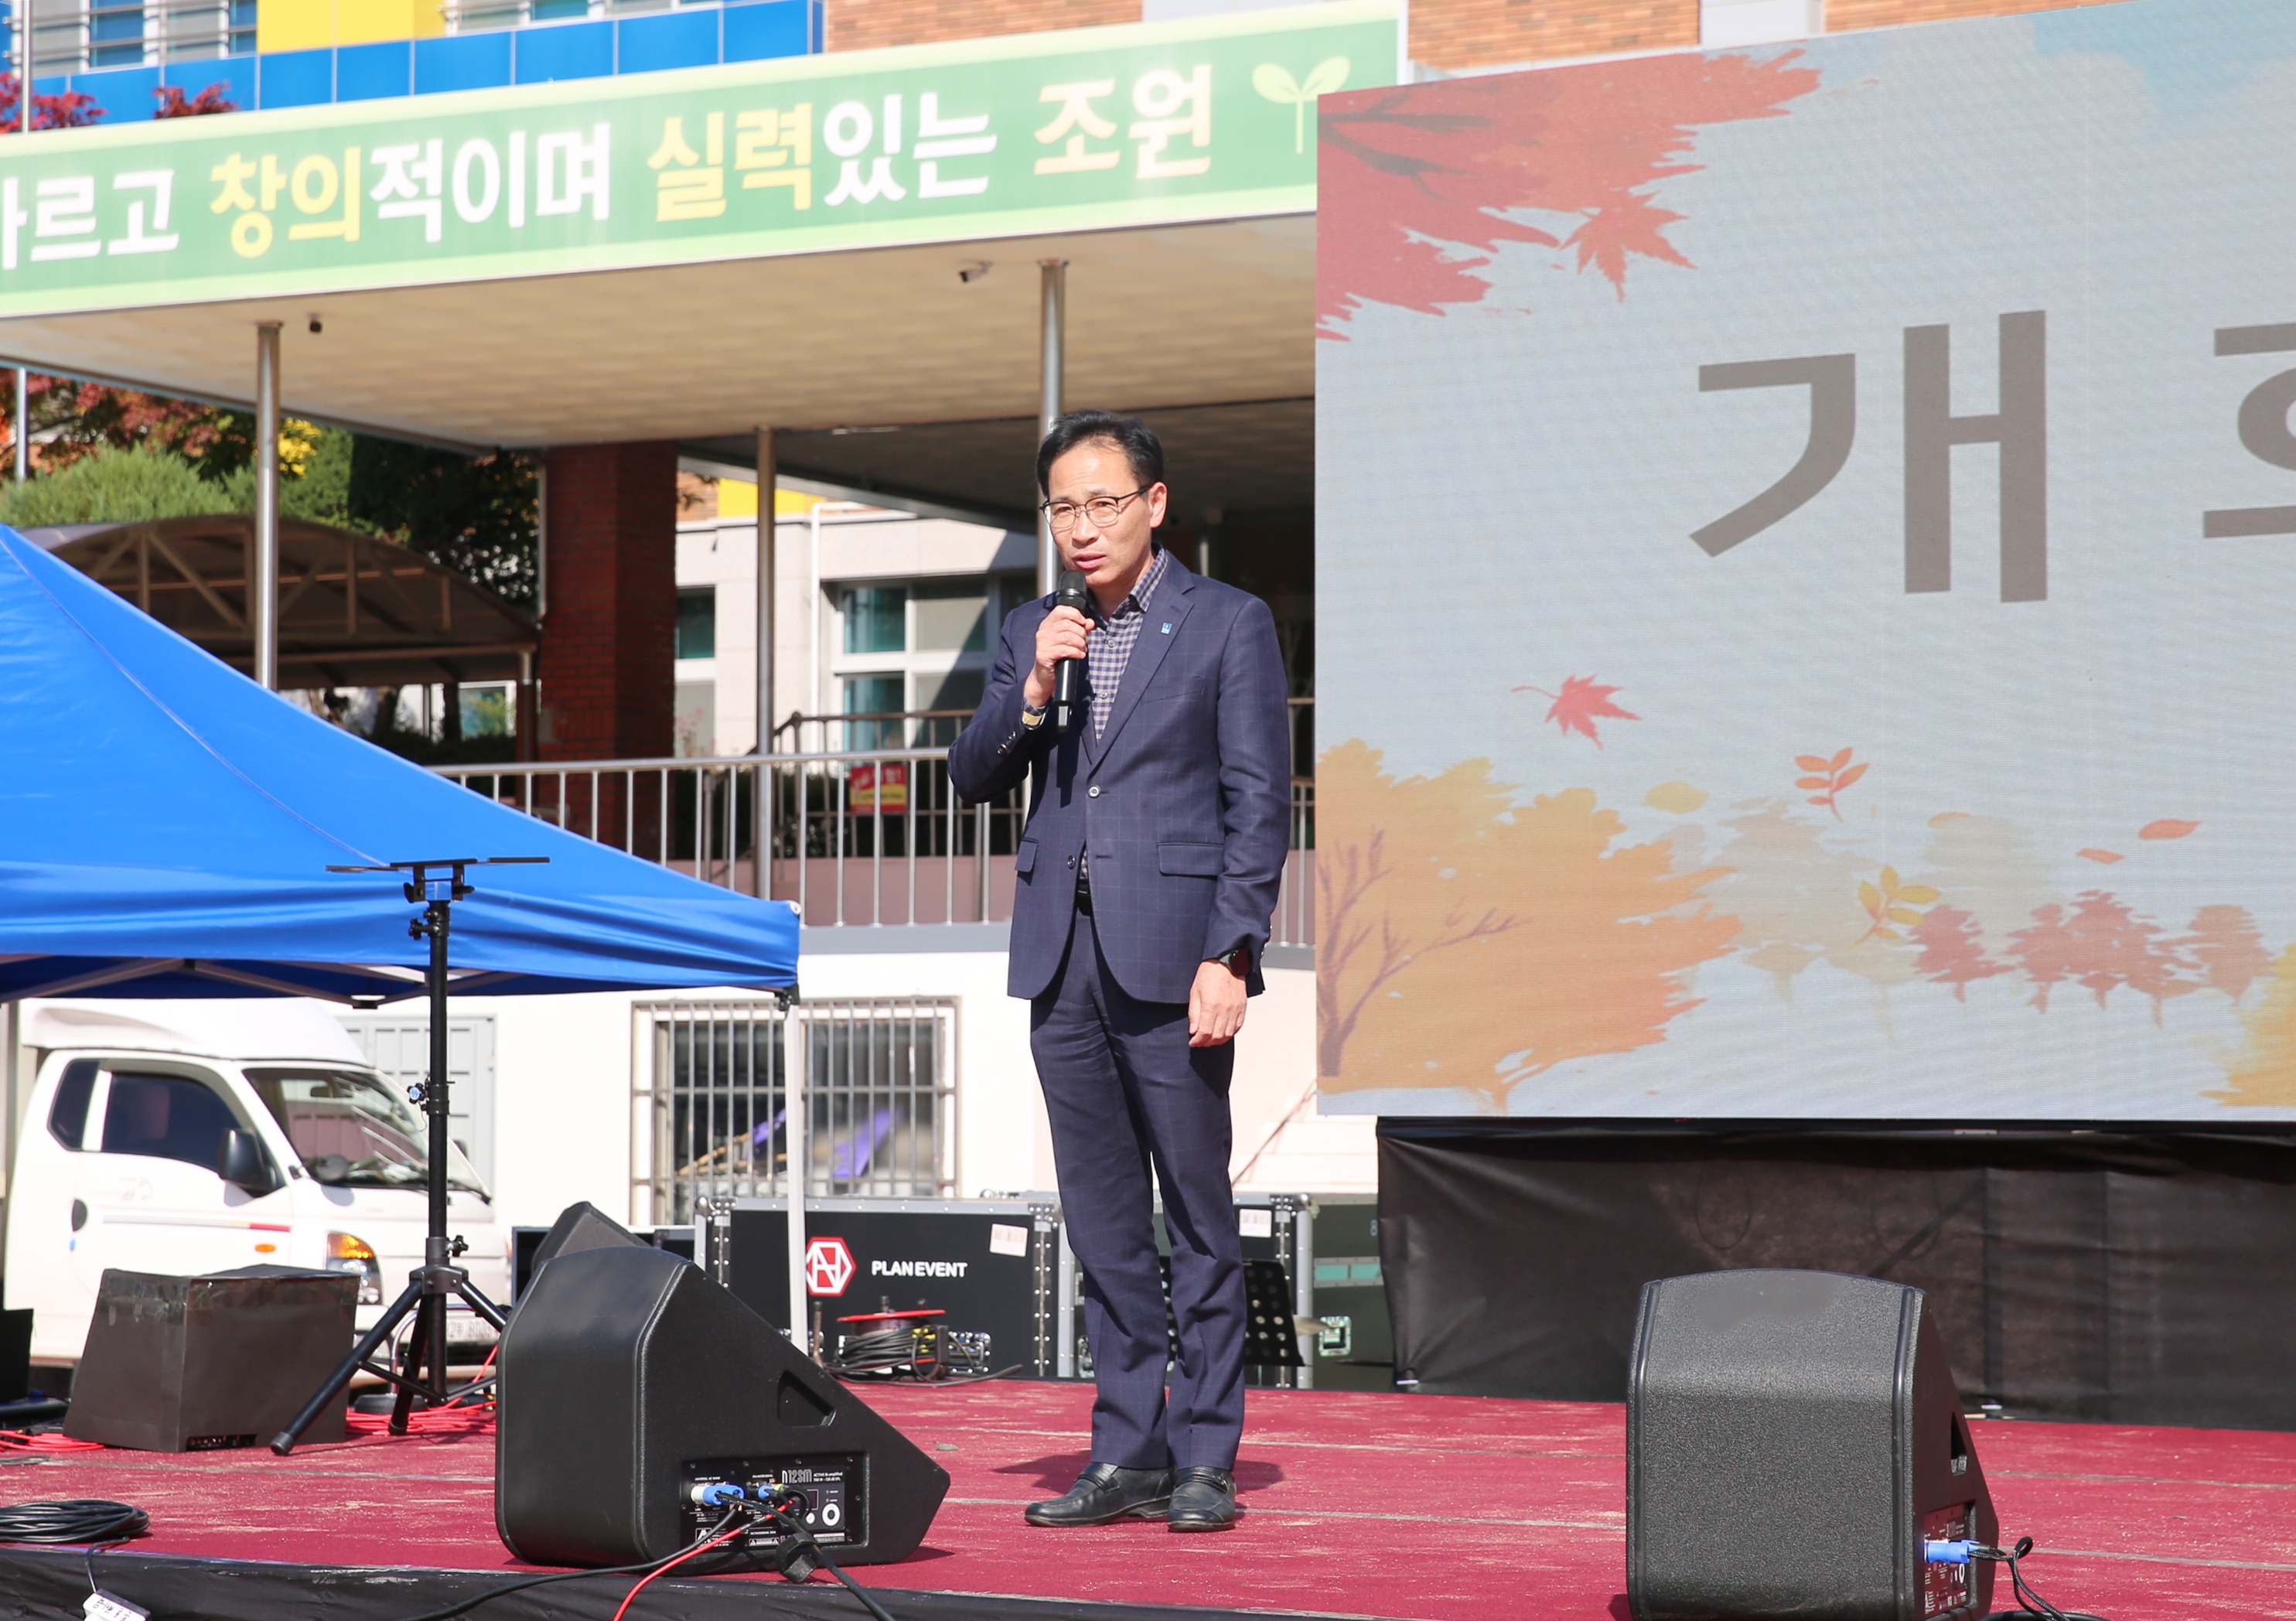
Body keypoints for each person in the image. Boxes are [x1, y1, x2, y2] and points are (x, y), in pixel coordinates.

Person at [948, 411, 1291, 1533]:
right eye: (1062, 507)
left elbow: (1257, 803)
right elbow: (971, 775)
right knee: (1100, 1226)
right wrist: (1034, 692)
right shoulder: (1030, 631)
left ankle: (1205, 1454)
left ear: (1153, 504)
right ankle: (1127, 1448)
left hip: (1174, 955)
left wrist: (1230, 952)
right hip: (1061, 960)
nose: (1081, 528)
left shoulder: (1226, 623)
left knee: (1195, 1216)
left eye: (1103, 503)